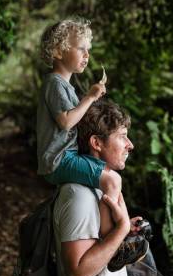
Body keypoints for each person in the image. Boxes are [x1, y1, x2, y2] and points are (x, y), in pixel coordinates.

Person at [36, 18, 141, 262]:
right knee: (112, 180)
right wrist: (91, 98)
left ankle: (123, 226)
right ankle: (110, 240)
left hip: (66, 156)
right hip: (59, 159)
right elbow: (65, 121)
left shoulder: (66, 87)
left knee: (110, 175)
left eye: (88, 50)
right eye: (81, 48)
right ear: (58, 50)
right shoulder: (55, 83)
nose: (87, 55)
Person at [52, 99, 148, 276]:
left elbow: (101, 244)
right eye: (122, 137)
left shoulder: (101, 188)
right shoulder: (79, 195)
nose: (130, 145)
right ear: (96, 143)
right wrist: (121, 229)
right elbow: (77, 274)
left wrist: (123, 230)